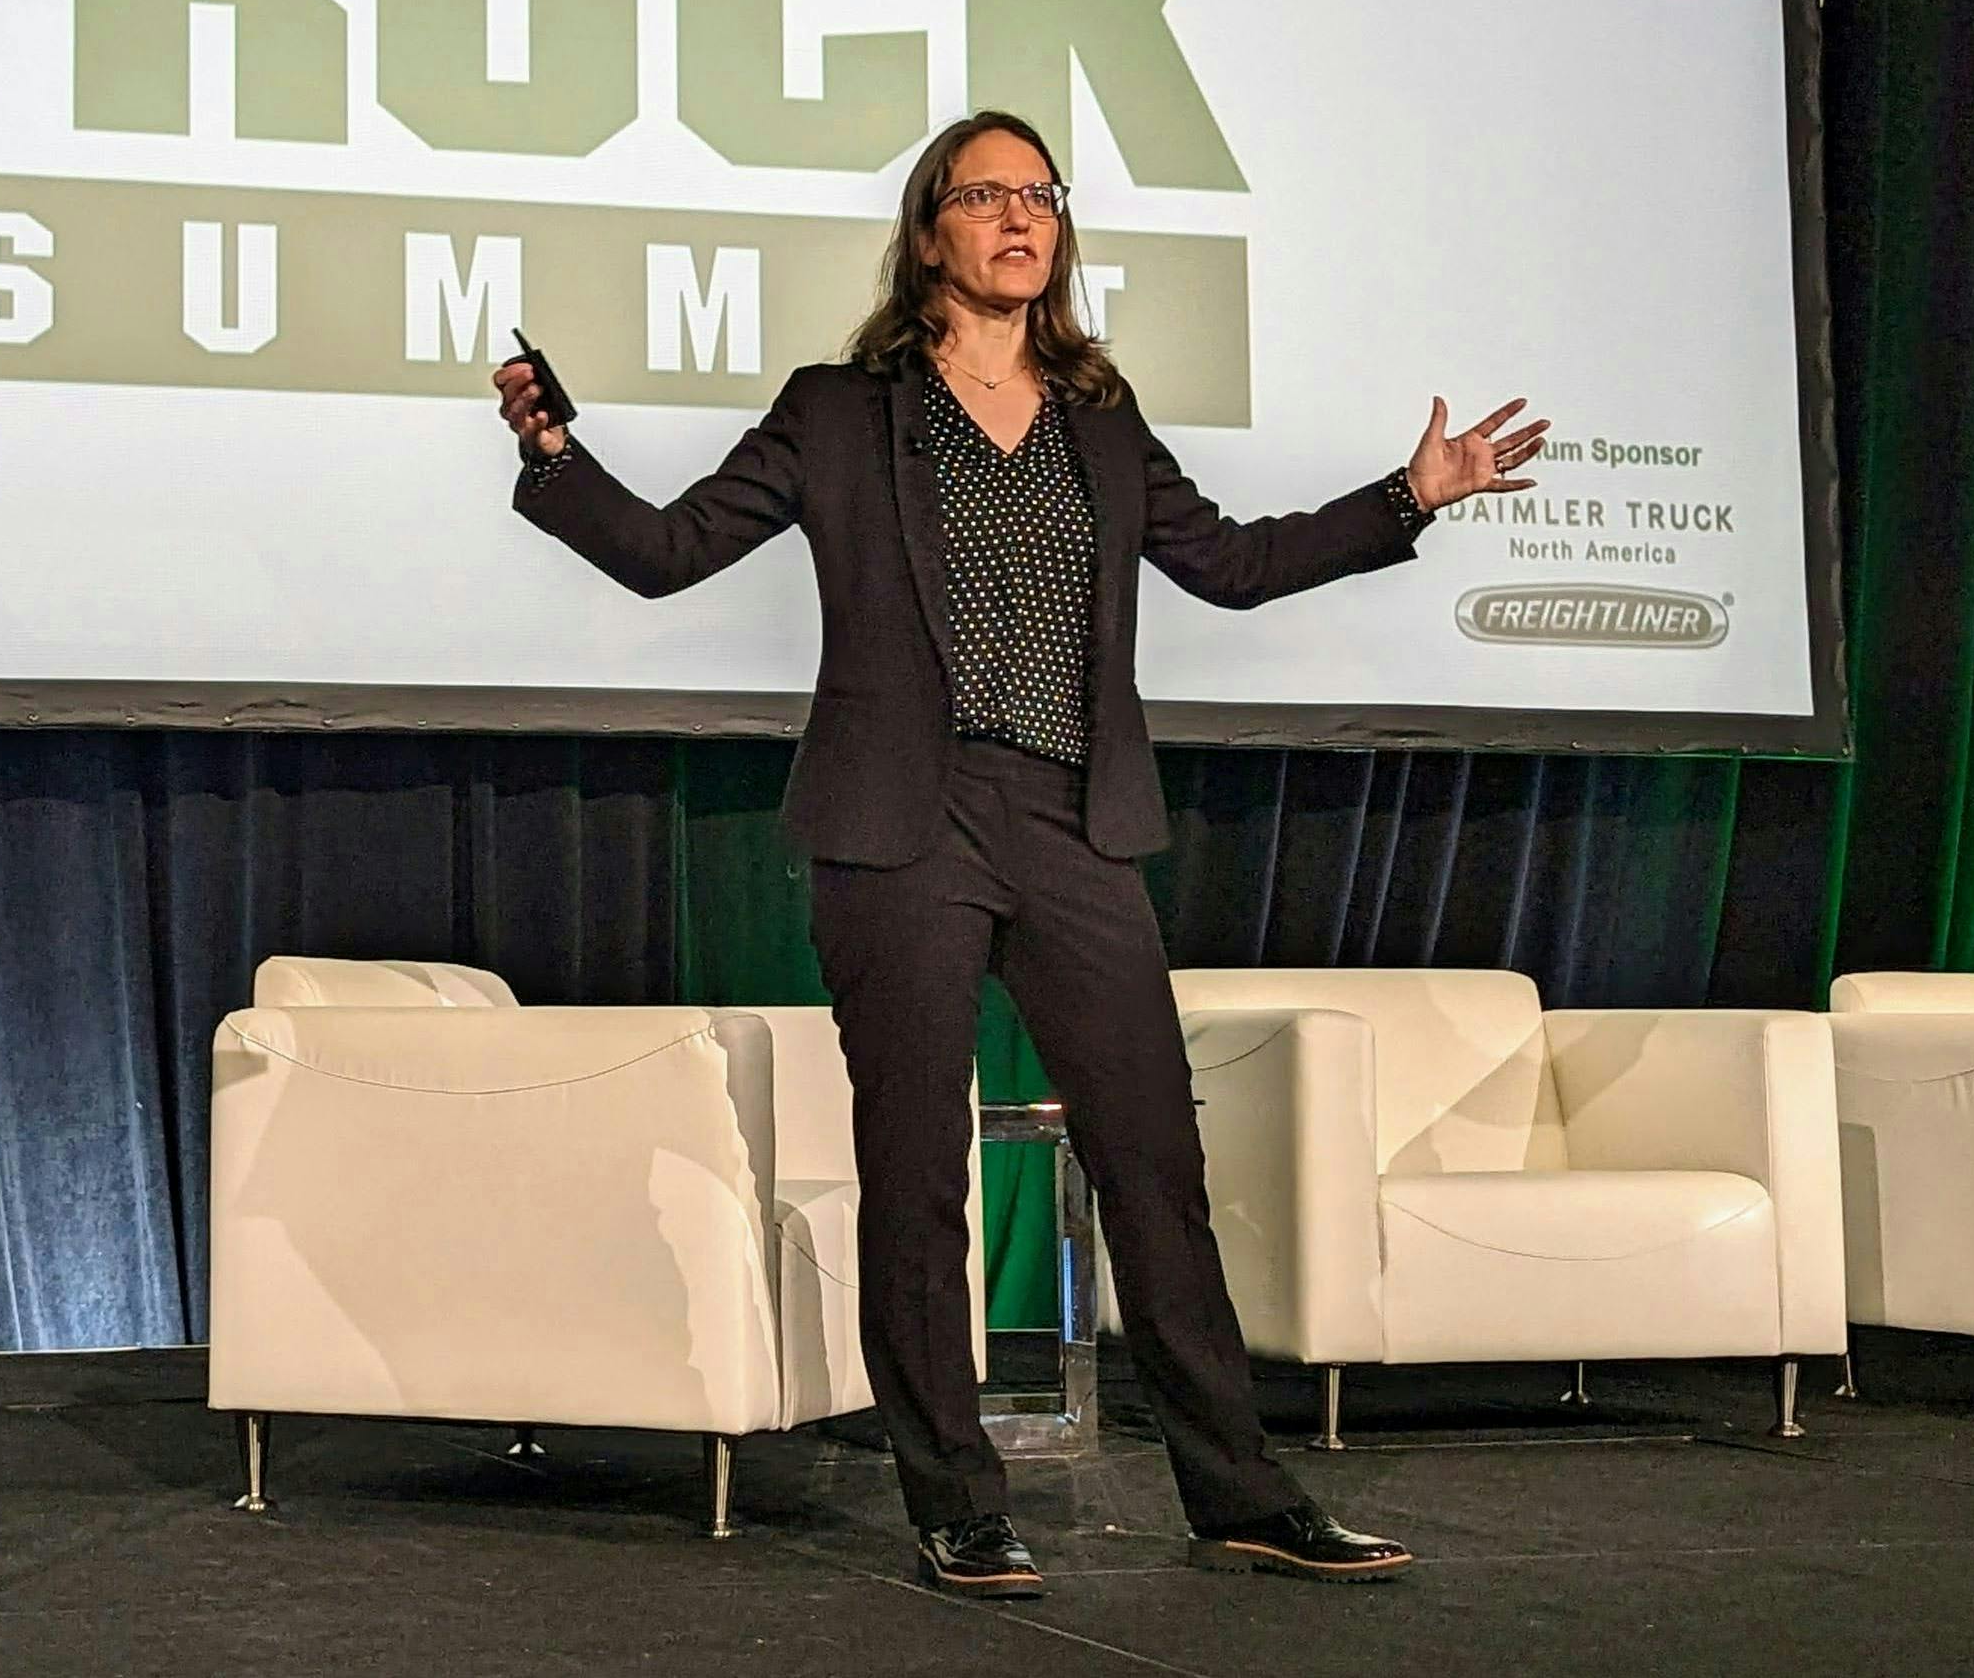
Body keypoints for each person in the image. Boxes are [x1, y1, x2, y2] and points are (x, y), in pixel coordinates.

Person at [493, 110, 1550, 1596]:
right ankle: (956, 1500)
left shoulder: (1095, 417)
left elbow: (1232, 566)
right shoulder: (838, 410)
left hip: (1074, 824)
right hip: (897, 829)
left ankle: (1241, 1492)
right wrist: (555, 451)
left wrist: (1406, 502)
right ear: (931, 229)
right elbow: (668, 554)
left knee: (1155, 1162)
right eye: (988, 195)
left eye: (1041, 196)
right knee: (917, 1172)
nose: (1021, 217)